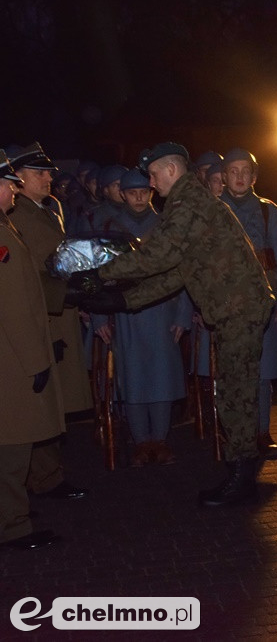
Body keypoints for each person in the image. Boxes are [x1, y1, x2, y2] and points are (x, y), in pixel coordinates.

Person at [69, 142, 274, 506]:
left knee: (235, 396)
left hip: (237, 310)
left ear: (171, 171)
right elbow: (178, 272)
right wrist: (123, 299)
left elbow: (157, 256)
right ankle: (241, 472)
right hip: (236, 309)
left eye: (152, 174)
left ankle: (242, 477)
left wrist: (99, 275)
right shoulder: (190, 204)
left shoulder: (188, 204)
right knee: (234, 392)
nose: (150, 183)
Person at [90, 169, 192, 466]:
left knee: (161, 375)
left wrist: (184, 314)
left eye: (143, 192)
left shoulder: (166, 224)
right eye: (131, 192)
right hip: (124, 311)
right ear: (122, 194)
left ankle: (159, 440)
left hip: (163, 308)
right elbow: (97, 274)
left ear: (151, 192)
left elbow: (182, 270)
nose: (138, 197)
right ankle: (140, 440)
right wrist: (99, 318)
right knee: (131, 375)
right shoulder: (108, 226)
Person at [8, 142, 91, 501]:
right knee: (42, 403)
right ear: (18, 178)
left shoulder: (41, 210)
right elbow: (36, 278)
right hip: (46, 319)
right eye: (38, 173)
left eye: (48, 172)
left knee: (51, 402)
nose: (47, 178)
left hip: (57, 314)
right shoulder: (21, 216)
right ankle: (44, 478)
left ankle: (45, 475)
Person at [0, 151, 64, 550]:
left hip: (11, 353)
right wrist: (36, 361)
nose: (14, 189)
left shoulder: (6, 225)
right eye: (9, 183)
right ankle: (13, 526)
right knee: (14, 442)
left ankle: (12, 512)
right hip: (12, 357)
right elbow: (13, 305)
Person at [219, 148, 277, 460]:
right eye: (232, 170)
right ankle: (233, 436)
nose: (239, 177)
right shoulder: (213, 210)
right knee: (230, 374)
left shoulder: (269, 211)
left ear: (253, 176)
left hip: (264, 304)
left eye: (245, 171)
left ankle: (262, 432)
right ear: (223, 176)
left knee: (262, 374)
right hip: (225, 306)